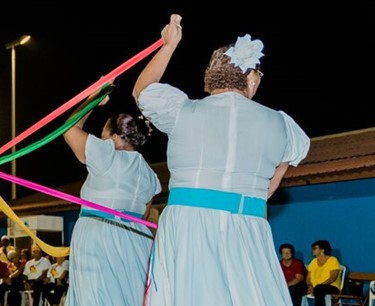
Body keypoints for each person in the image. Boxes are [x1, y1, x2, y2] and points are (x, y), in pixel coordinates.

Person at [133, 14, 310, 306]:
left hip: (187, 224)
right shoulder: (283, 125)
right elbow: (270, 187)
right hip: (248, 227)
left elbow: (142, 91)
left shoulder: (181, 110)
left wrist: (168, 46)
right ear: (251, 78)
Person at [61, 85, 160, 306]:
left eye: (103, 134)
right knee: (131, 296)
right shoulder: (149, 175)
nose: (100, 138)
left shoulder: (107, 155)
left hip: (99, 235)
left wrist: (93, 99)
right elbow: (143, 214)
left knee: (98, 296)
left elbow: (69, 129)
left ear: (116, 137)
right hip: (137, 239)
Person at [306, 240, 342, 306]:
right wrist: (311, 286)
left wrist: (316, 287)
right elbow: (308, 278)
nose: (312, 250)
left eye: (315, 248)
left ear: (322, 250)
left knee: (319, 289)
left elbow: (332, 278)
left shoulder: (333, 260)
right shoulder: (313, 262)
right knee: (298, 288)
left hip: (331, 286)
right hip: (314, 287)